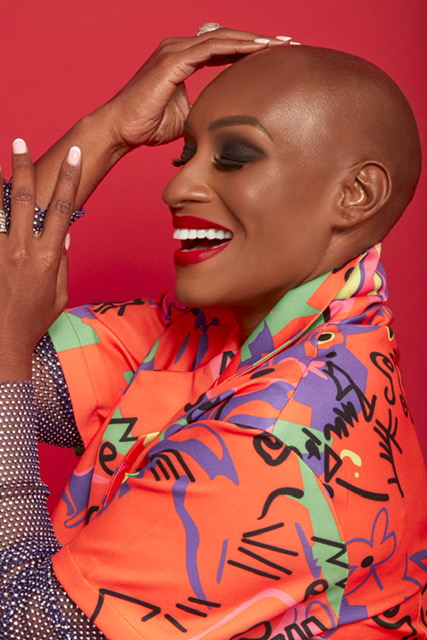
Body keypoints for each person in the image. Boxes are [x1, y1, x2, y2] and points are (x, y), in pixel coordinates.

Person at [0, 26, 426, 639]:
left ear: (355, 194)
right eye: (186, 155)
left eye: (235, 156)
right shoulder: (214, 333)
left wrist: (9, 350)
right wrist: (110, 129)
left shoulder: (280, 437)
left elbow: (24, 625)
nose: (176, 187)